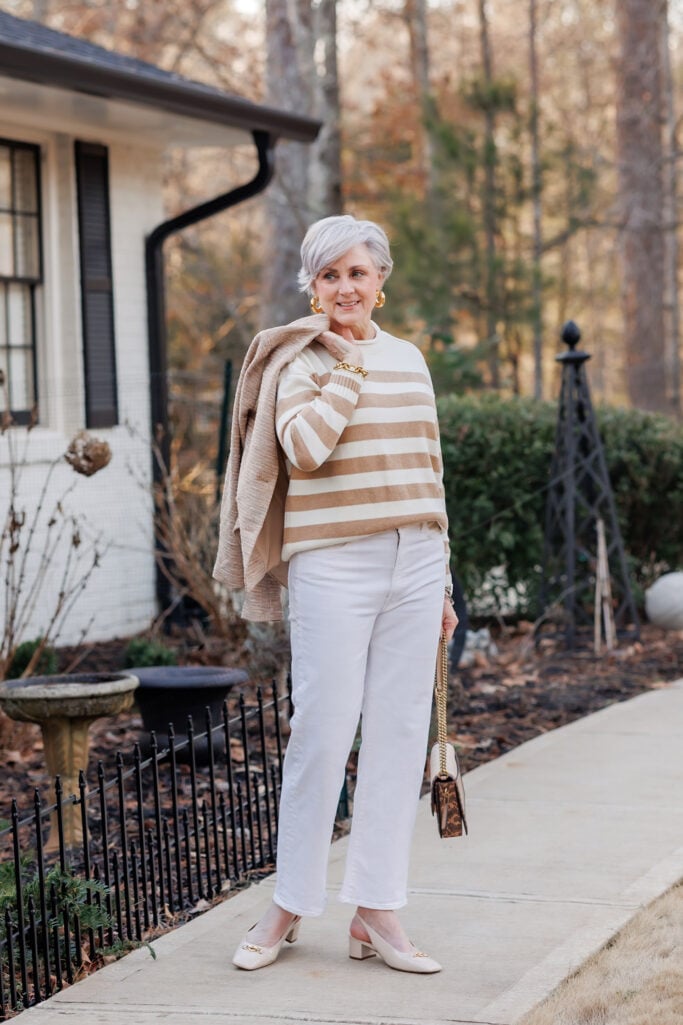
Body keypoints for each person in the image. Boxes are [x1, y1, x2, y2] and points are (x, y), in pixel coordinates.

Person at [214, 214, 457, 974]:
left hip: (415, 561)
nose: (345, 287)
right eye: (329, 275)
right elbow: (305, 450)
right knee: (320, 732)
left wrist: (443, 577)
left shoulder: (412, 361)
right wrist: (346, 368)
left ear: (380, 281)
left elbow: (429, 475)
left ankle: (375, 910)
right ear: (312, 287)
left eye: (357, 272)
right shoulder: (297, 360)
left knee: (396, 735)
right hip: (332, 565)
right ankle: (287, 902)